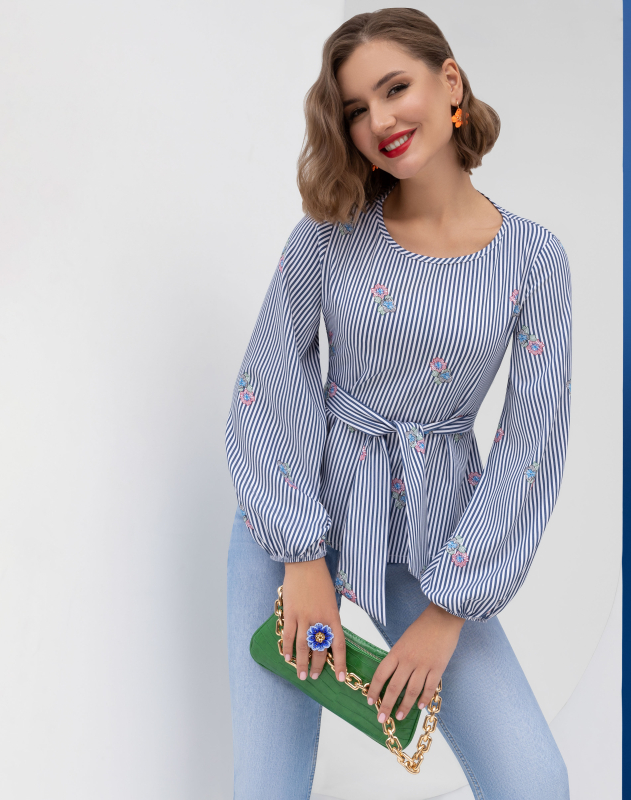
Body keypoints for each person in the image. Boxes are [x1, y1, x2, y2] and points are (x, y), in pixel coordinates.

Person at [225, 8, 572, 799]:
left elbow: (532, 443)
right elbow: (269, 379)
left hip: (437, 548)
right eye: (355, 108)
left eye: (394, 88)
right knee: (268, 788)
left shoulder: (535, 259)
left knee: (533, 779)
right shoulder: (328, 233)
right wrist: (301, 559)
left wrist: (447, 614)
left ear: (449, 82)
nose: (379, 121)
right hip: (292, 530)